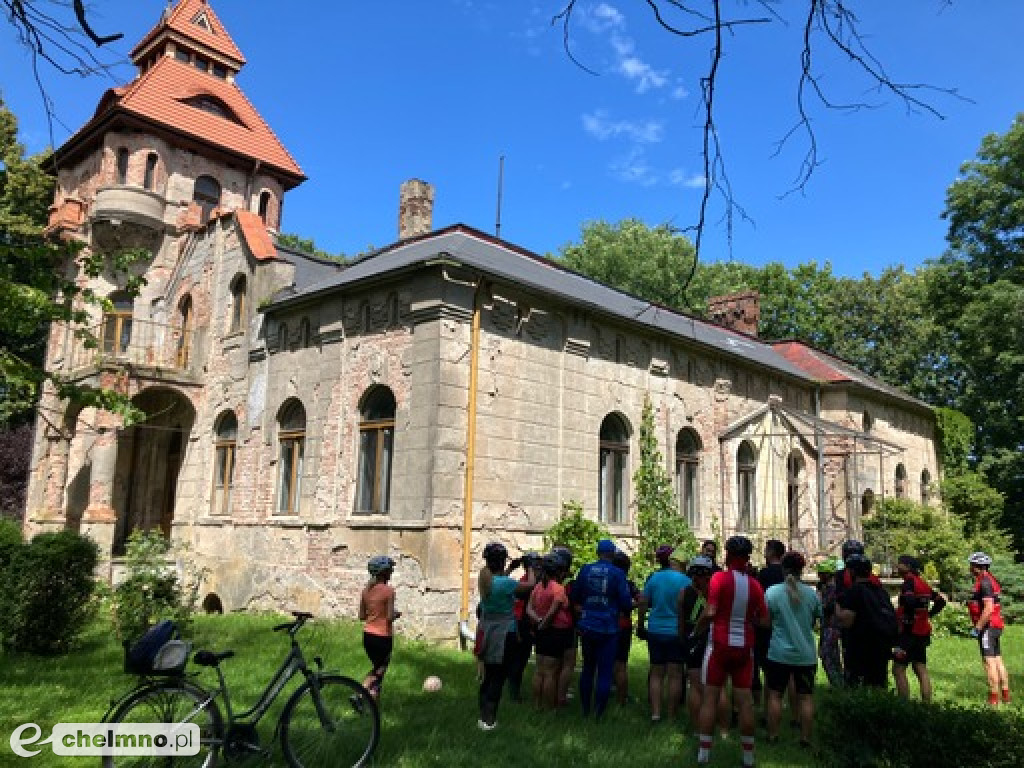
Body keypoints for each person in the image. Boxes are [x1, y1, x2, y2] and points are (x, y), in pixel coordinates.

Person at [692, 536, 768, 768]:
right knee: (745, 702)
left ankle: (704, 754)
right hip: (745, 647)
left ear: (727, 555)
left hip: (719, 645)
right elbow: (765, 621)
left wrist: (697, 629)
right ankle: (748, 756)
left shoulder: (719, 578)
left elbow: (711, 611)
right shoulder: (755, 585)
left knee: (710, 698)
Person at [475, 541, 536, 730]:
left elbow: (500, 582)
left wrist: (510, 568)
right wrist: (531, 566)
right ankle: (490, 720)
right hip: (504, 634)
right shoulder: (506, 583)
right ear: (502, 561)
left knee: (488, 676)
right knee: (498, 678)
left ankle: (483, 715)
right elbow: (530, 585)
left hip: (486, 632)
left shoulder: (485, 580)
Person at [570, 538, 633, 719]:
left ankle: (584, 709)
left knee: (588, 668)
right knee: (605, 671)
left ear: (597, 553)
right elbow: (625, 602)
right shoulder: (617, 573)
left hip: (587, 625)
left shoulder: (585, 570)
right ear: (612, 554)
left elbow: (575, 595)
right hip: (608, 628)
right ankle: (598, 712)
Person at [763, 552, 821, 748]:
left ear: (783, 568)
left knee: (775, 695)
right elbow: (817, 620)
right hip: (805, 655)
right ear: (802, 569)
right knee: (806, 697)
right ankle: (805, 738)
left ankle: (773, 735)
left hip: (778, 653)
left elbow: (766, 621)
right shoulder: (811, 594)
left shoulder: (772, 592)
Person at [638, 547, 691, 722]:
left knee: (656, 673)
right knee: (675, 674)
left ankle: (655, 713)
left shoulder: (655, 577)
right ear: (684, 564)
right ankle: (671, 714)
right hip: (676, 631)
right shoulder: (686, 581)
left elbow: (643, 601)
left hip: (655, 630)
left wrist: (640, 624)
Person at [680, 555, 730, 736]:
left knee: (694, 686)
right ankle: (723, 729)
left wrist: (684, 640)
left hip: (692, 640)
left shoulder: (684, 592)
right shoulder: (717, 591)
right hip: (713, 640)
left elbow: (681, 622)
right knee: (720, 686)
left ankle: (696, 728)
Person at [835, 553, 894, 688]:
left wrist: (837, 607)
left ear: (852, 572)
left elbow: (847, 620)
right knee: (878, 683)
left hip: (860, 645)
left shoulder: (855, 591)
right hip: (881, 645)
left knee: (858, 683)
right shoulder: (881, 591)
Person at [892, 555, 946, 702]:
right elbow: (941, 601)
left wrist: (907, 617)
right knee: (920, 667)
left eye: (900, 564)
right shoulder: (923, 584)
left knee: (898, 669)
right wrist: (928, 614)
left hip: (907, 633)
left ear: (908, 567)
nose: (897, 566)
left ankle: (904, 704)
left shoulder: (909, 582)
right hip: (922, 632)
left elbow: (909, 601)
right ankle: (926, 703)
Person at [527, 553, 572, 710]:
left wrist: (538, 622)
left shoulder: (539, 586)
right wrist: (544, 624)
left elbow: (529, 609)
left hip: (541, 632)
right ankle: (549, 707)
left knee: (539, 671)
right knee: (551, 673)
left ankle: (536, 704)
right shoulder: (558, 589)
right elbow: (553, 612)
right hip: (554, 632)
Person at [967, 552, 1011, 706]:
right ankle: (1006, 696)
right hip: (996, 626)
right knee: (998, 660)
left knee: (989, 663)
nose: (970, 567)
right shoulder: (990, 579)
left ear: (977, 567)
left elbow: (988, 608)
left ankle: (993, 700)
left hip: (988, 627)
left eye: (971, 565)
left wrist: (978, 628)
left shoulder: (984, 583)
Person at [359, 555, 401, 703]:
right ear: (384, 573)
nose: (392, 573)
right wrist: (396, 614)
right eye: (390, 570)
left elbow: (361, 616)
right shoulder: (389, 591)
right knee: (379, 670)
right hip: (383, 636)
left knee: (377, 669)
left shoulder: (365, 591)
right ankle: (361, 693)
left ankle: (373, 704)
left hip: (368, 636)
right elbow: (389, 617)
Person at [754, 539, 786, 709]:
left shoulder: (764, 574)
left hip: (765, 624)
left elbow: (758, 599)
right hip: (784, 624)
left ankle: (766, 705)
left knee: (765, 667)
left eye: (766, 550)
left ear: (772, 552)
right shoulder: (786, 574)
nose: (764, 554)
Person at [508, 551, 541, 701]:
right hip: (522, 624)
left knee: (520, 659)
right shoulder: (526, 582)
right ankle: (514, 693)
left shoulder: (528, 580)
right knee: (519, 659)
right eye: (536, 565)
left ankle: (515, 690)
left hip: (525, 623)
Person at [612, 550, 640, 706]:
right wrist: (631, 606)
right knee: (621, 664)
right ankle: (621, 699)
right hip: (623, 625)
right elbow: (641, 599)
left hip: (607, 624)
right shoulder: (628, 584)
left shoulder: (607, 581)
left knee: (605, 661)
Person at [552, 546, 578, 708]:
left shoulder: (546, 582)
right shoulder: (568, 584)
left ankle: (553, 693)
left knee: (553, 664)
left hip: (550, 627)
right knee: (568, 663)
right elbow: (573, 606)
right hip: (567, 626)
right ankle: (561, 696)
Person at [815, 558, 843, 686]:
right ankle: (837, 682)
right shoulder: (827, 588)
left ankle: (837, 683)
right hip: (826, 626)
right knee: (827, 655)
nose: (818, 576)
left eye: (821, 574)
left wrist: (819, 597)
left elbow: (824, 607)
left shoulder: (833, 589)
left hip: (832, 627)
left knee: (828, 655)